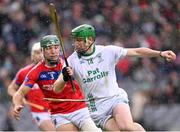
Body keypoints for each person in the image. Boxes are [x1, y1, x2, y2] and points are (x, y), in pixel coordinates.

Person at [53, 24, 176, 131]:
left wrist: (160, 53)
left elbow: (137, 52)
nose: (76, 43)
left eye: (79, 40)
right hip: (96, 109)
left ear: (90, 39)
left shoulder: (107, 51)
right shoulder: (71, 61)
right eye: (75, 40)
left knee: (126, 127)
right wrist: (64, 77)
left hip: (114, 99)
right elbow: (56, 89)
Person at [12, 35, 101, 131]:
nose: (53, 51)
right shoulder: (35, 72)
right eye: (49, 48)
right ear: (43, 51)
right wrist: (17, 104)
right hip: (59, 115)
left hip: (80, 110)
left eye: (56, 47)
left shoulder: (68, 63)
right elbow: (19, 93)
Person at [8, 42, 55, 131]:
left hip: (57, 109)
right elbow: (11, 89)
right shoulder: (24, 72)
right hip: (40, 113)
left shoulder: (55, 69)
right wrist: (19, 98)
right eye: (37, 53)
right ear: (32, 56)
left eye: (42, 52)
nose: (40, 55)